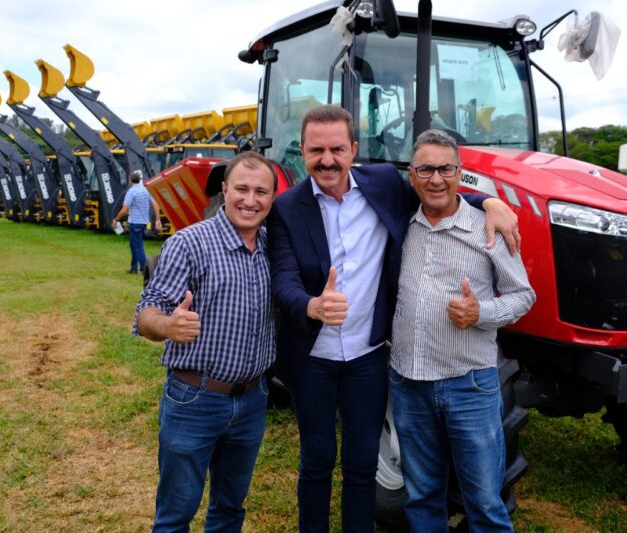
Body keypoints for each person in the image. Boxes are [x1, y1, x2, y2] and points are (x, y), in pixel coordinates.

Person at [266, 105, 520, 533]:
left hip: (367, 357)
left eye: (336, 149)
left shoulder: (383, 183)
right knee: (317, 459)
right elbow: (283, 276)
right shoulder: (286, 207)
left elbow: (436, 190)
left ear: (353, 149)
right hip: (313, 357)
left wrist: (489, 201)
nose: (327, 160)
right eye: (316, 150)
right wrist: (310, 306)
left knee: (363, 463)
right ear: (303, 151)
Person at [389, 130, 535, 532]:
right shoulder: (401, 226)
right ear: (412, 176)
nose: (436, 179)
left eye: (445, 169)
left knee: (484, 503)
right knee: (421, 498)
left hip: (469, 386)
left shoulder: (487, 229)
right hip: (409, 384)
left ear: (460, 173)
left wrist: (480, 312)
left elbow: (523, 295)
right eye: (426, 170)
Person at [133, 152, 277, 532]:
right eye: (242, 189)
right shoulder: (190, 243)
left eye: (261, 192)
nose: (250, 200)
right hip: (195, 398)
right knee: (175, 514)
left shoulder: (274, 247)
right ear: (224, 190)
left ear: (272, 198)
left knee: (229, 508)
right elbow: (147, 311)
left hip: (252, 399)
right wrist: (167, 325)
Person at [113, 171, 163, 274]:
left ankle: (145, 269)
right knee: (133, 244)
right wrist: (158, 219)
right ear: (140, 180)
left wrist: (116, 219)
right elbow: (155, 204)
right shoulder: (146, 190)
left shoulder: (131, 192)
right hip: (143, 222)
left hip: (135, 222)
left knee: (138, 245)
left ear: (130, 180)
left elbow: (124, 209)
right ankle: (133, 267)